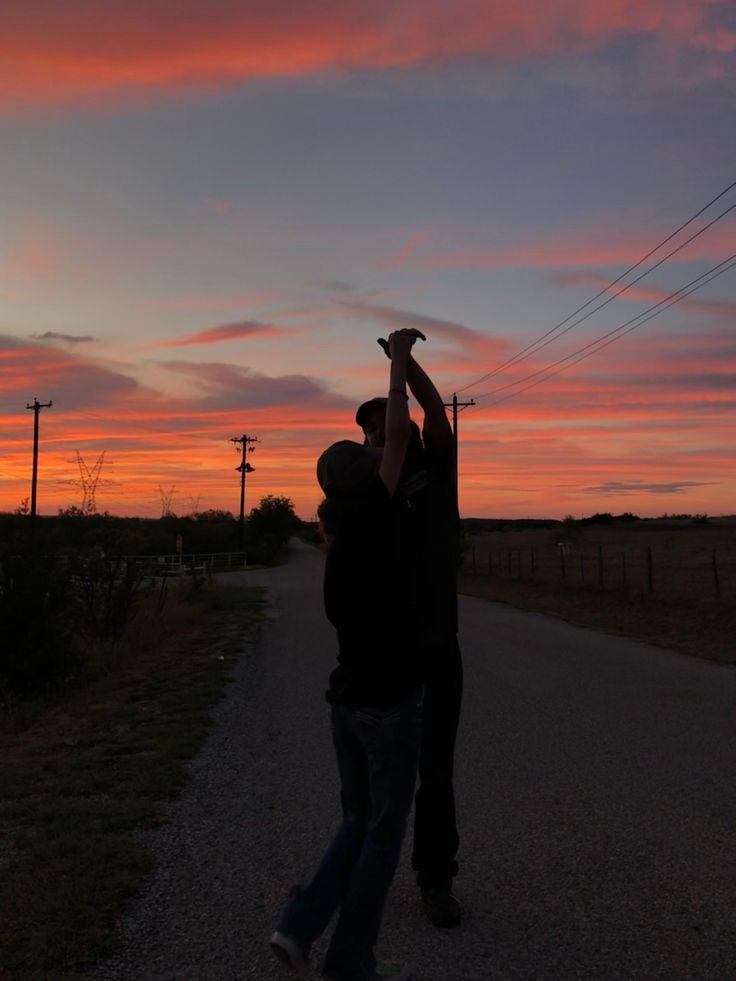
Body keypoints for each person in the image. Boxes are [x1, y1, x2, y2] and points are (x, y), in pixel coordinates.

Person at [270, 330, 424, 981]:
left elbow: (385, 447)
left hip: (345, 701)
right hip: (387, 701)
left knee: (358, 817)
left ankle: (299, 926)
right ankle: (350, 957)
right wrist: (397, 360)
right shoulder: (381, 512)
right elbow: (395, 439)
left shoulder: (338, 533)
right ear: (366, 476)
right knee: (383, 832)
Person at [355, 329, 463, 929]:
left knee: (437, 774)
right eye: (368, 428)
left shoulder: (439, 471)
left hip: (438, 649)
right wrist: (396, 361)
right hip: (389, 658)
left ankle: (435, 881)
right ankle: (360, 878)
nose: (379, 431)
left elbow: (432, 412)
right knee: (380, 782)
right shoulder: (374, 494)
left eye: (382, 423)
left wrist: (408, 360)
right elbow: (401, 428)